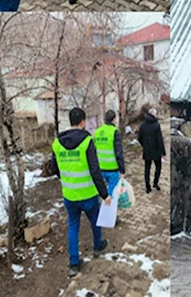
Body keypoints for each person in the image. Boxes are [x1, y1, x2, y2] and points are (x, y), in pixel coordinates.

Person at [49, 108, 110, 277]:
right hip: (88, 195)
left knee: (73, 227)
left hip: (69, 195)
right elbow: (95, 170)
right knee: (95, 221)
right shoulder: (87, 141)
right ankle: (97, 246)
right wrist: (105, 194)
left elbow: (54, 168)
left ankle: (74, 263)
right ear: (82, 122)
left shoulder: (57, 143)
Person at [93, 110, 124, 199]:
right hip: (112, 169)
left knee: (102, 192)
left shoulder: (97, 132)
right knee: (112, 194)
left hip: (100, 168)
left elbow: (94, 150)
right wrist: (122, 170)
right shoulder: (115, 132)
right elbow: (119, 152)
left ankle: (103, 208)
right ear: (114, 119)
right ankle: (109, 210)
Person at [138, 107, 165, 193]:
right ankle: (155, 183)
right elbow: (159, 140)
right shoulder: (156, 125)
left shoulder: (143, 125)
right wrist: (163, 152)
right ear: (153, 115)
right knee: (158, 167)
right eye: (156, 114)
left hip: (147, 150)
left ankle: (147, 187)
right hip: (156, 150)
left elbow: (139, 138)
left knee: (147, 168)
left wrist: (145, 145)